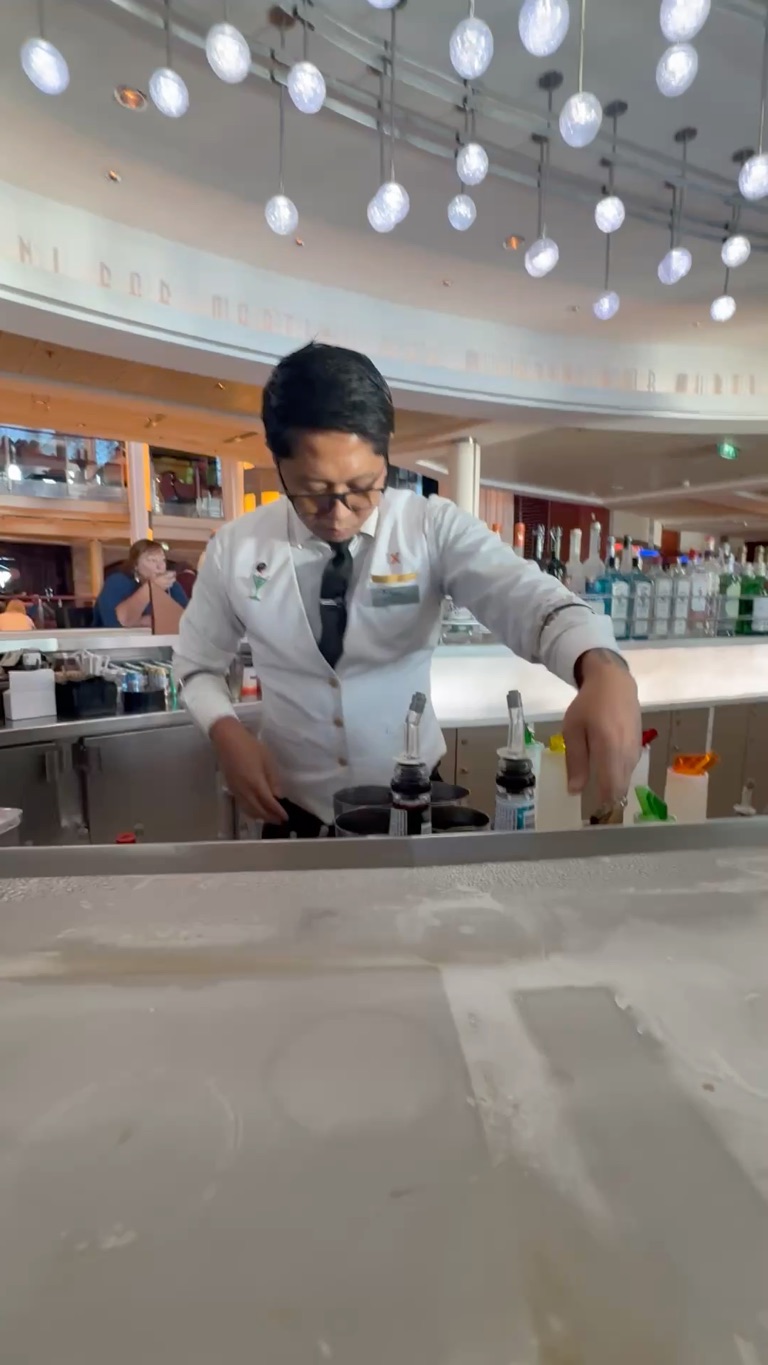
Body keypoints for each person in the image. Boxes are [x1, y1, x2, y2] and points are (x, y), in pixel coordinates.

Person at [175, 342, 641, 837]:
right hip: (291, 810)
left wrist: (600, 665)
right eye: (314, 491)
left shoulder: (429, 528)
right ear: (278, 463)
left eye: (363, 486)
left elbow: (524, 596)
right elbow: (197, 665)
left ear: (387, 455)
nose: (340, 513)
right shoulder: (236, 548)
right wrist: (224, 730)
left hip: (413, 799)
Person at [93, 539, 188, 628]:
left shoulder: (172, 586)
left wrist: (140, 621)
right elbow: (115, 623)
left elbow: (187, 619)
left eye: (163, 560)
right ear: (136, 565)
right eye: (152, 560)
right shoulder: (118, 582)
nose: (160, 566)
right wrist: (151, 587)